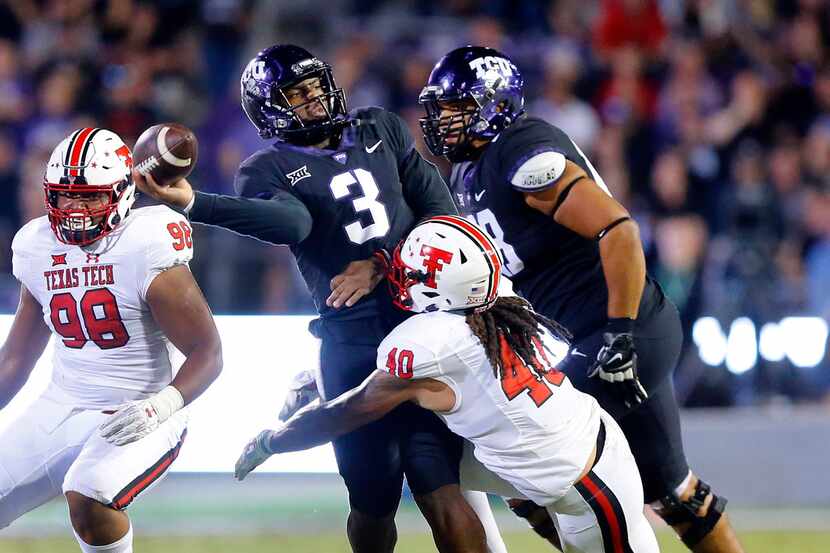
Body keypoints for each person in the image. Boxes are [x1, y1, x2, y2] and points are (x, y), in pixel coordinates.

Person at [135, 44, 494, 553]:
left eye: (313, 86)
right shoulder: (267, 166)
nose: (313, 99)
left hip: (421, 322)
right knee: (372, 498)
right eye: (296, 94)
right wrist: (194, 202)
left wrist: (380, 264)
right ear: (270, 108)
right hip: (352, 338)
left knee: (437, 482)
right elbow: (292, 223)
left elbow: (441, 215)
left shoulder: (381, 128)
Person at [413, 46, 744, 553]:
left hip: (619, 329)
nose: (443, 123)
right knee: (674, 494)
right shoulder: (470, 172)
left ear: (492, 104)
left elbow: (618, 229)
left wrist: (619, 333)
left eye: (455, 109)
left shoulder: (522, 149)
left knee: (535, 463)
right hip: (594, 334)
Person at [235, 215, 661, 553]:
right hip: (555, 444)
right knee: (432, 458)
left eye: (413, 274)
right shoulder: (496, 298)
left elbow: (344, 414)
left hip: (584, 482)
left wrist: (274, 441)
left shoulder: (432, 343)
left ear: (439, 291)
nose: (402, 279)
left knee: (425, 449)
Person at [0, 128, 223, 553]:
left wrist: (162, 406)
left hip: (142, 407)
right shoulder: (35, 245)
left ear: (121, 193)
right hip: (62, 404)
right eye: (66, 195)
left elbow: (207, 352)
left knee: (90, 494)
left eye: (90, 197)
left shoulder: (144, 240)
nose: (76, 208)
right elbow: (14, 359)